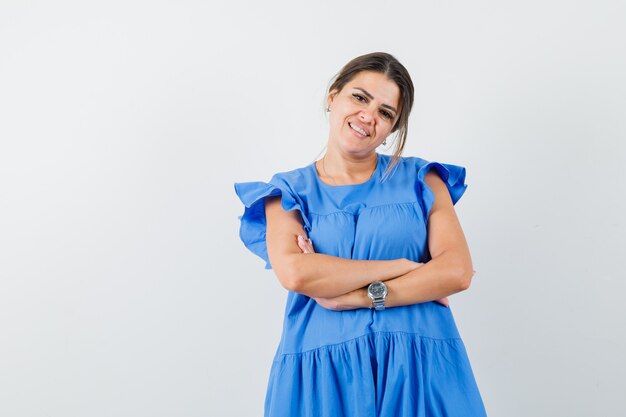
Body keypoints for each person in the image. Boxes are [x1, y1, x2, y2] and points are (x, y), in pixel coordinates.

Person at [234, 52, 487, 417]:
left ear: (393, 129)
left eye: (386, 113)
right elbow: (297, 274)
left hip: (421, 366)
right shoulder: (287, 192)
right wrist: (407, 267)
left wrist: (354, 296)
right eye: (360, 97)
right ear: (332, 96)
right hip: (321, 374)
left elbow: (457, 272)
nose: (369, 116)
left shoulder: (423, 179)